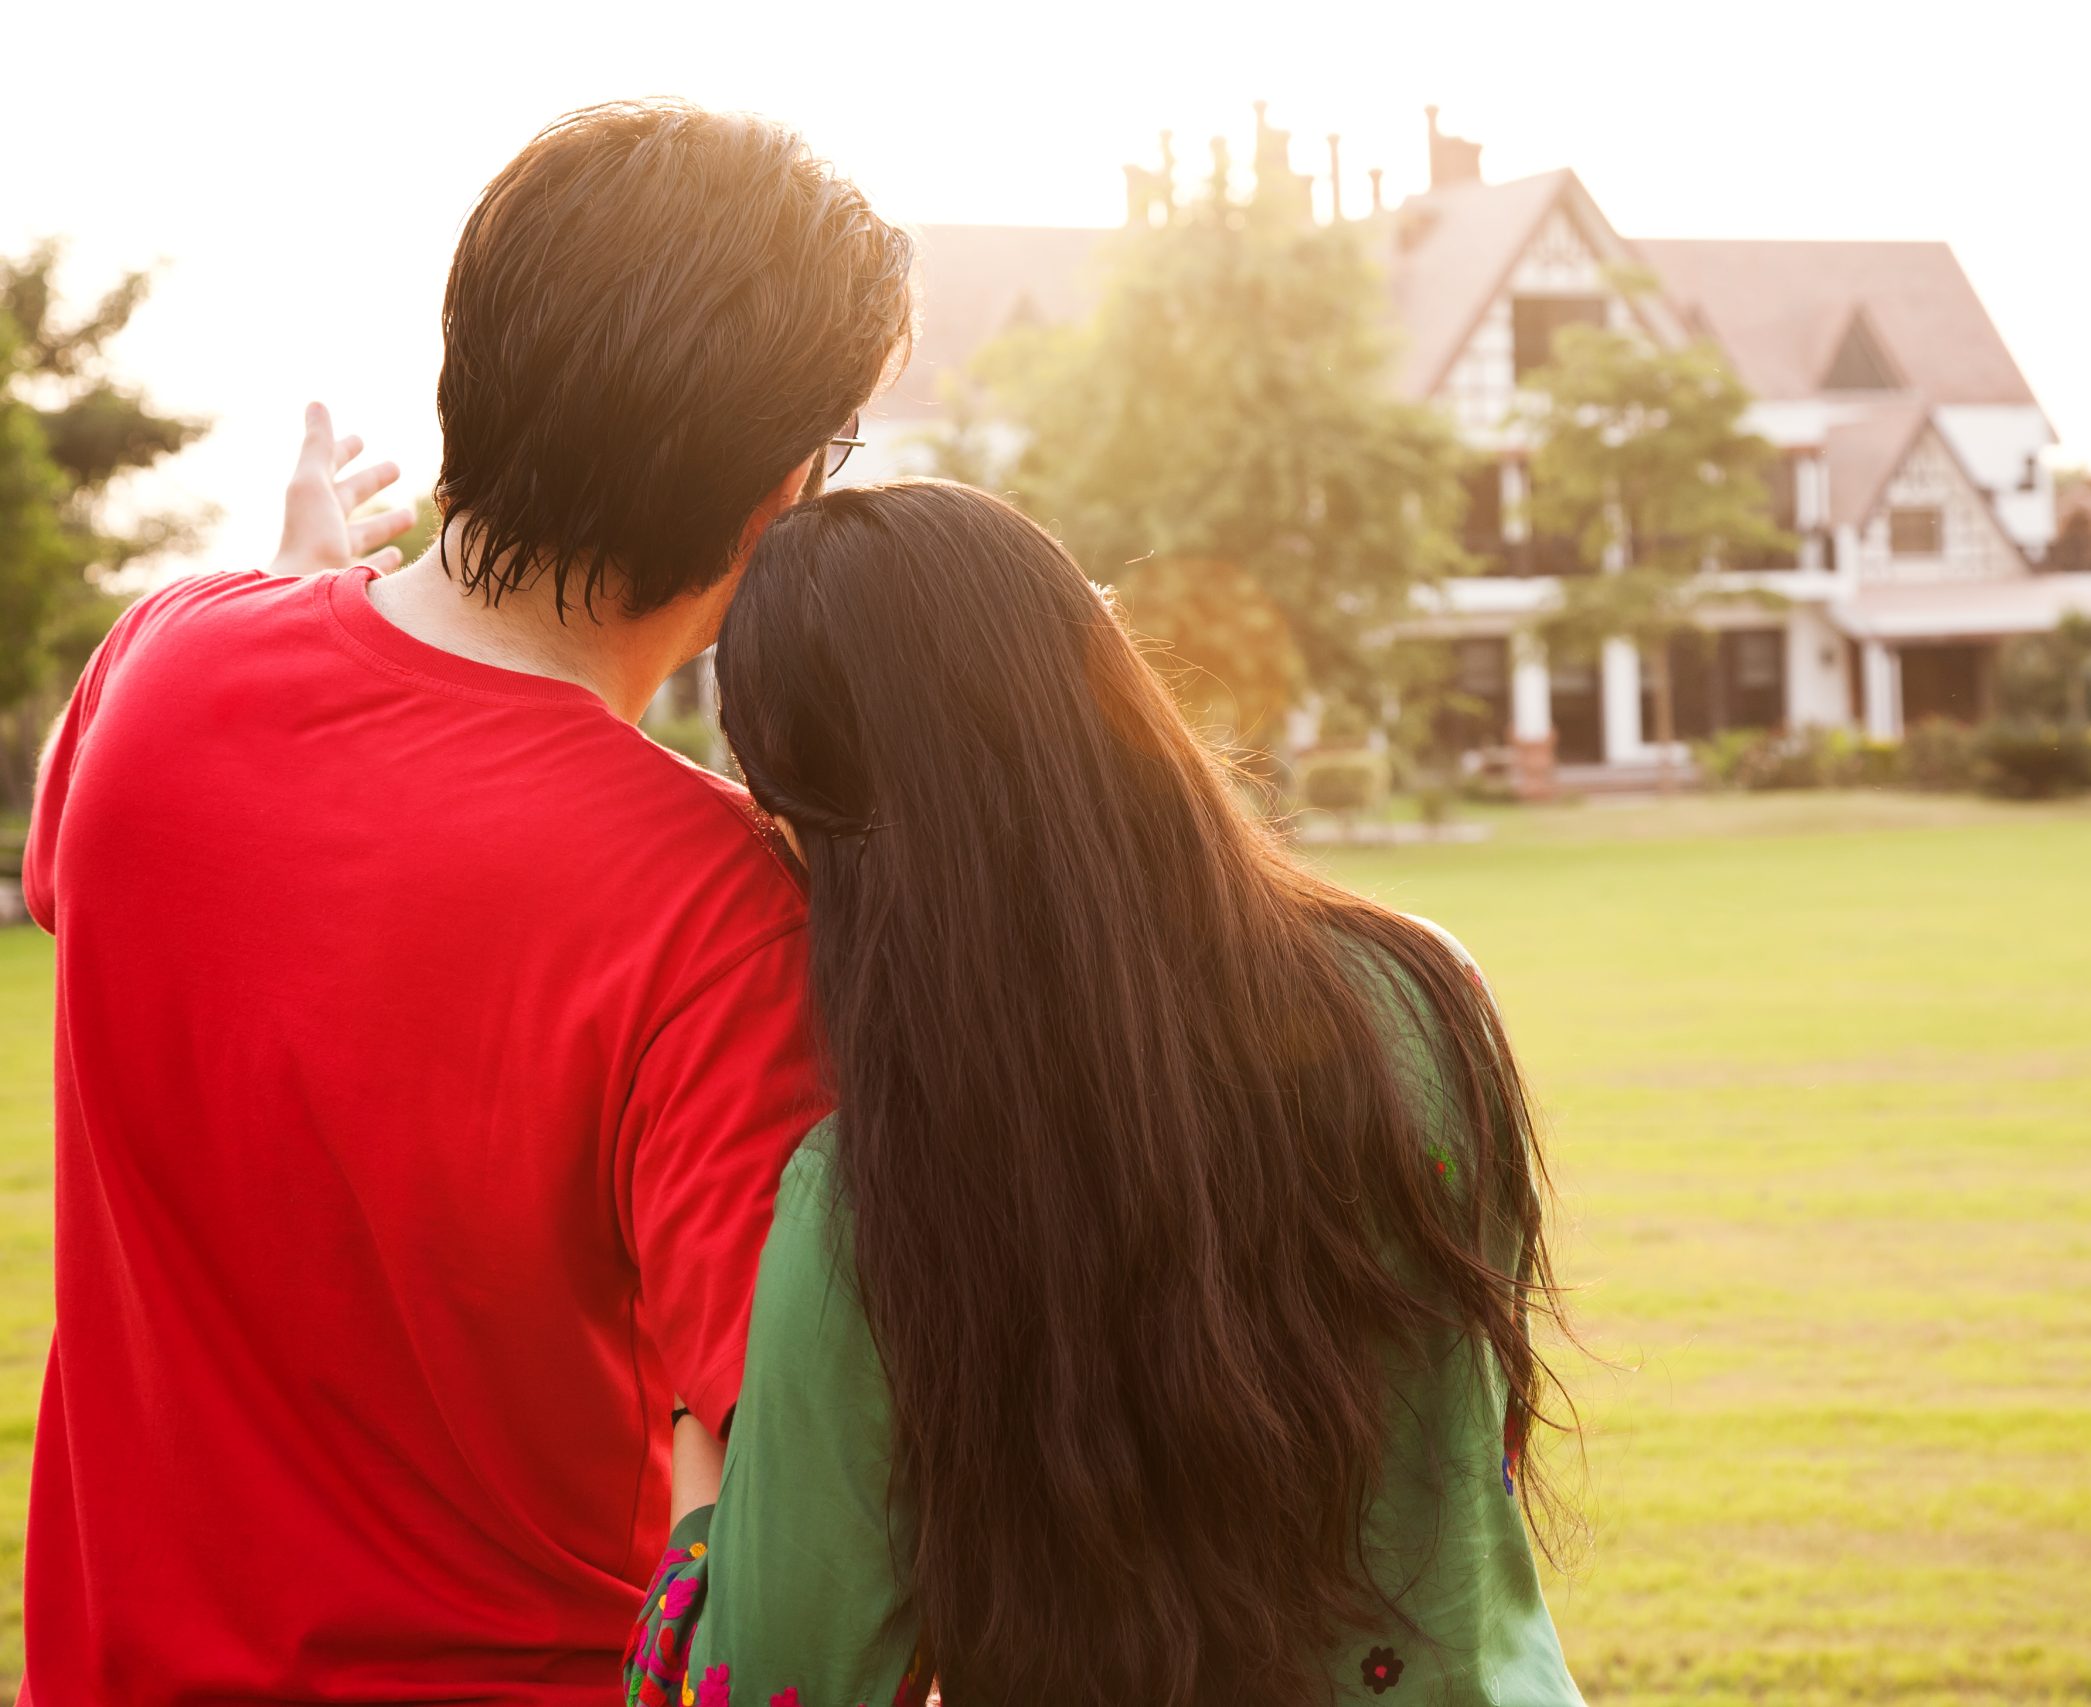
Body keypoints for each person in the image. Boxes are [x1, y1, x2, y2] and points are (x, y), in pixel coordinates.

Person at [20, 102, 912, 1703]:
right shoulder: (720, 912)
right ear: (777, 491)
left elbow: (75, 872)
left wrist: (286, 592)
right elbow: (801, 1501)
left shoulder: (160, 665)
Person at [622, 480, 1585, 1707]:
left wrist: (700, 1470)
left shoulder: (877, 1196)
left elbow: (775, 1679)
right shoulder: (1426, 997)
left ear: (812, 819)